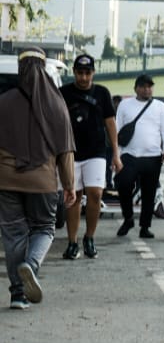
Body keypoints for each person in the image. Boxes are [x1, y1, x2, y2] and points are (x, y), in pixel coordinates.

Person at [1, 48, 77, 310]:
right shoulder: (56, 103)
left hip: (6, 180)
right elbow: (65, 149)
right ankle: (30, 266)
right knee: (44, 229)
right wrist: (69, 185)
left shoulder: (4, 100)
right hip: (42, 181)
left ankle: (18, 295)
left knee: (13, 235)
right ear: (44, 69)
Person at [58, 53, 117, 260]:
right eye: (80, 73)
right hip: (71, 152)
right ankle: (72, 241)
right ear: (74, 72)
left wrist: (116, 155)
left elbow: (110, 124)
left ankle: (89, 237)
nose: (84, 77)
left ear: (93, 73)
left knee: (95, 194)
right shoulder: (63, 92)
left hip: (96, 152)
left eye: (87, 73)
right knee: (72, 197)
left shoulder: (102, 93)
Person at [114, 74, 164, 239]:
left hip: (153, 156)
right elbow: (117, 129)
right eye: (143, 86)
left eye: (150, 86)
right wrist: (116, 155)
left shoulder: (160, 107)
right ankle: (128, 219)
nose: (147, 89)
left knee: (149, 193)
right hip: (129, 155)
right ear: (136, 88)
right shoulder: (125, 105)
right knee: (123, 185)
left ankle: (145, 226)